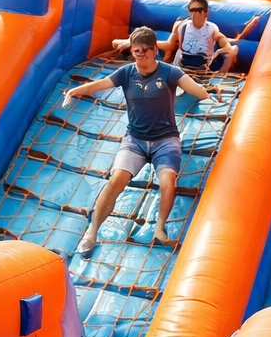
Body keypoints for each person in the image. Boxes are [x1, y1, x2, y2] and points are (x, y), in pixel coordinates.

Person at [65, 26, 214, 254]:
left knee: (167, 182)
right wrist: (74, 91)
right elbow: (100, 85)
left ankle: (160, 228)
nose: (141, 55)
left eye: (145, 50)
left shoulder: (169, 72)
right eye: (136, 51)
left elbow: (197, 89)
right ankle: (92, 231)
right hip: (135, 140)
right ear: (132, 51)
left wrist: (208, 96)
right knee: (116, 181)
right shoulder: (126, 73)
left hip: (165, 140)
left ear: (155, 49)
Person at [113, 0, 257, 73]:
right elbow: (170, 44)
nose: (194, 16)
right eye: (192, 12)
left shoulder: (211, 29)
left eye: (198, 12)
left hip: (196, 69)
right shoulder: (181, 26)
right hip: (181, 66)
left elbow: (226, 40)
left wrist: (243, 34)